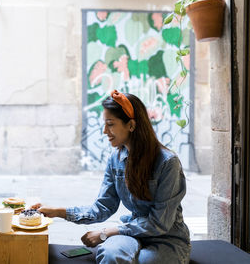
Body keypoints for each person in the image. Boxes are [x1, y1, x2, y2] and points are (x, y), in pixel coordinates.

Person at [34, 90, 191, 264]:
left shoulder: (168, 163)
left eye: (110, 124)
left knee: (145, 261)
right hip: (131, 233)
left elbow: (159, 224)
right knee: (110, 254)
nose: (104, 131)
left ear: (131, 125)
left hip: (167, 238)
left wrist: (106, 233)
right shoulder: (115, 160)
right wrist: (57, 212)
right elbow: (103, 207)